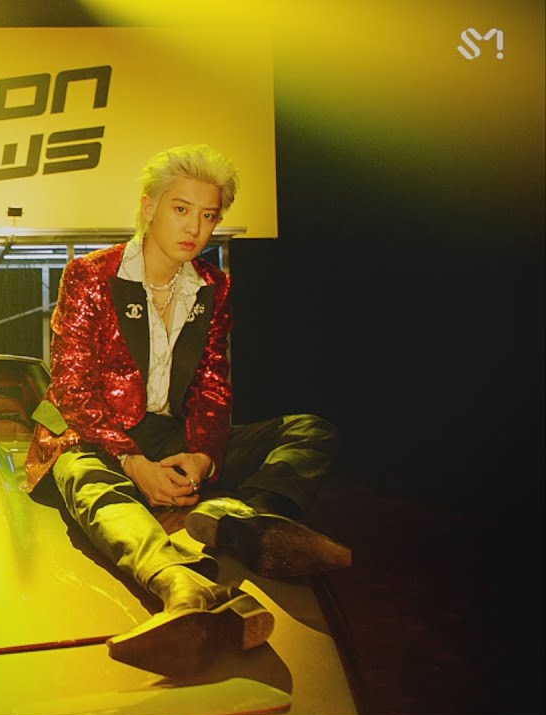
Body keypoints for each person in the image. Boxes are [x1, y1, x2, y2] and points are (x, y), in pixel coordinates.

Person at [25, 144, 350, 676]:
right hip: (90, 433)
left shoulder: (212, 286)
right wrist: (134, 464)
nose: (194, 228)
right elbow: (73, 389)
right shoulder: (91, 274)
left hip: (168, 432)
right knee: (85, 475)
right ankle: (179, 584)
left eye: (208, 215)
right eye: (181, 209)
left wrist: (202, 457)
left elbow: (213, 388)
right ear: (149, 207)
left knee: (310, 430)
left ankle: (243, 519)